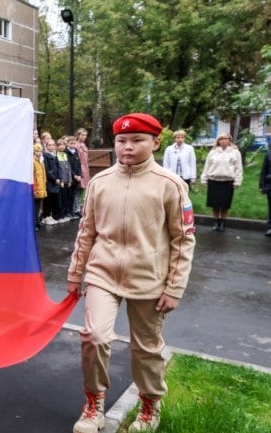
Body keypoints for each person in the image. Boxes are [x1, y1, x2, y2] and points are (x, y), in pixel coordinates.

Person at [67, 112, 195, 433]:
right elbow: (87, 232)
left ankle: (150, 403)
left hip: (149, 279)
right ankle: (94, 402)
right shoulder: (99, 182)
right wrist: (76, 272)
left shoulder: (170, 185)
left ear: (155, 142)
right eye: (121, 140)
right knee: (94, 337)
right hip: (103, 274)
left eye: (137, 140)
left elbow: (183, 239)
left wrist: (174, 287)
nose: (128, 147)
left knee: (146, 347)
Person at [200, 133, 243, 232]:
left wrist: (237, 181)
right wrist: (204, 178)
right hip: (214, 181)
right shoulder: (213, 152)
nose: (224, 141)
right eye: (221, 139)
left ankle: (223, 223)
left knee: (224, 205)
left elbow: (238, 168)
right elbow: (207, 166)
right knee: (215, 204)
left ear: (229, 140)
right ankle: (216, 222)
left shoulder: (235, 152)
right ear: (218, 141)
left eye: (226, 139)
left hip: (227, 181)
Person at [43, 136, 64, 225]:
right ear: (46, 146)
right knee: (48, 199)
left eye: (52, 145)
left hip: (56, 181)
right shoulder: (45, 156)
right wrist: (54, 178)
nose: (51, 147)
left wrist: (59, 177)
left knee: (54, 199)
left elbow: (59, 167)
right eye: (49, 145)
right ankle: (46, 215)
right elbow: (47, 169)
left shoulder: (54, 155)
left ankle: (53, 214)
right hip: (50, 182)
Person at [56, 137, 76, 220]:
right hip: (61, 181)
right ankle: (62, 213)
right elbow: (59, 169)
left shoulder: (65, 155)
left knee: (67, 197)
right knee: (62, 198)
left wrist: (70, 180)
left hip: (67, 180)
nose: (62, 147)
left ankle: (67, 212)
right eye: (60, 145)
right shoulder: (56, 155)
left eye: (63, 145)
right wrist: (61, 180)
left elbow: (68, 169)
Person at [65, 135, 83, 216]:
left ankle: (73, 210)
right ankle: (68, 211)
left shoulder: (75, 151)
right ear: (68, 143)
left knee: (74, 194)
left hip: (77, 176)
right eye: (71, 143)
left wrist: (79, 174)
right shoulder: (66, 152)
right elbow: (68, 165)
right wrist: (74, 175)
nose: (72, 145)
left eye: (74, 143)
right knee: (69, 194)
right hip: (71, 176)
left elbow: (78, 163)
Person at [75, 128, 91, 215]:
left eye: (85, 135)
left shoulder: (84, 145)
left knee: (83, 188)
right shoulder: (76, 146)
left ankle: (80, 205)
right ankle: (76, 208)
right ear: (78, 135)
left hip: (85, 167)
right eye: (82, 135)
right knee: (78, 188)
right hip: (80, 167)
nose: (84, 137)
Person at [34, 142, 48, 229]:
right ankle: (35, 223)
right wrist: (34, 189)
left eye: (40, 151)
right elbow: (33, 176)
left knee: (39, 206)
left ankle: (38, 221)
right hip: (36, 188)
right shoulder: (33, 162)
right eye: (37, 151)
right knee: (35, 207)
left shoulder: (41, 161)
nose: (39, 153)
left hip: (41, 186)